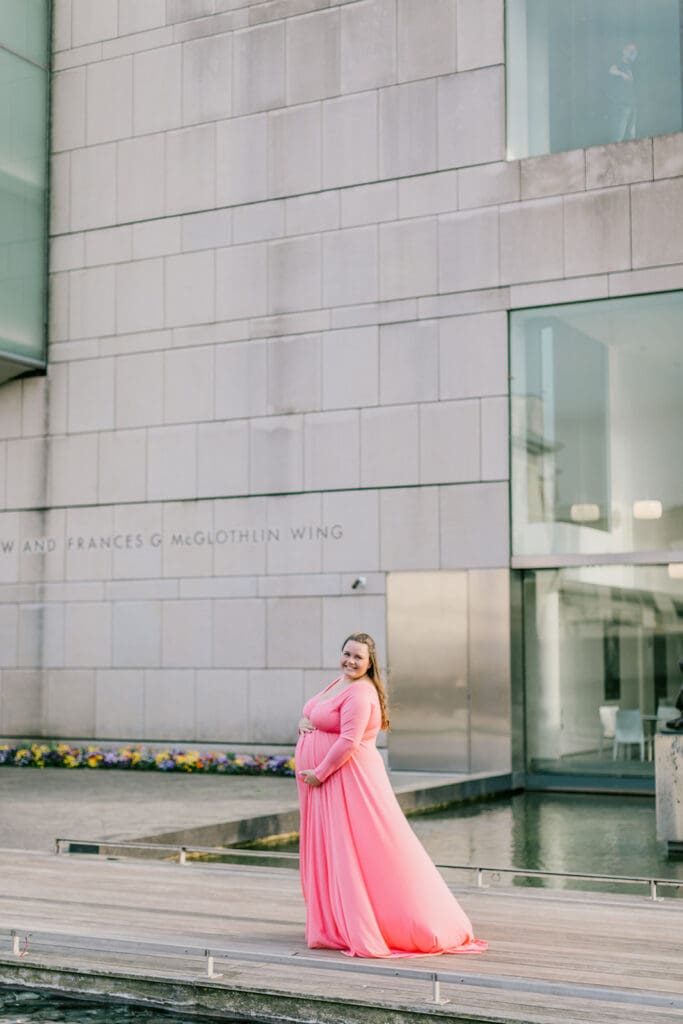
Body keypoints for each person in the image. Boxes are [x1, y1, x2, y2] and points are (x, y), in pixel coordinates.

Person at [295, 631, 487, 958]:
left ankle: (393, 919)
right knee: (339, 849)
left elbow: (349, 742)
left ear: (370, 664)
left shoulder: (359, 693)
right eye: (347, 654)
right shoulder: (339, 683)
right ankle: (339, 919)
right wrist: (305, 719)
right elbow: (316, 712)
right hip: (328, 787)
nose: (350, 661)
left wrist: (319, 773)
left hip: (346, 783)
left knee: (361, 849)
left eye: (358, 657)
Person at [608, 42, 638, 143]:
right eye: (631, 51)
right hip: (623, 106)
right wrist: (621, 74)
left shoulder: (631, 66)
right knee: (619, 135)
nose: (634, 53)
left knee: (631, 134)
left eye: (635, 51)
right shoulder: (619, 63)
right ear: (624, 51)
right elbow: (611, 70)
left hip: (632, 104)